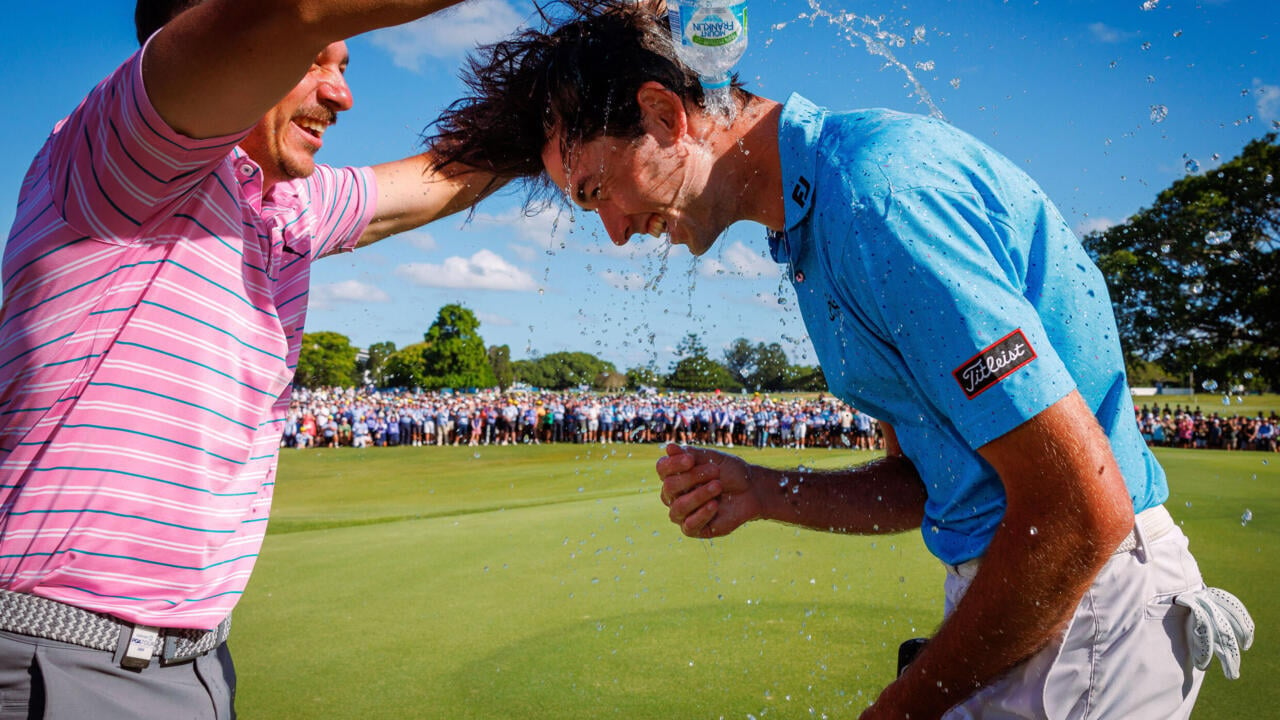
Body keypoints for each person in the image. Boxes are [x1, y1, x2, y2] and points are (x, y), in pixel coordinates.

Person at [426, 1, 1255, 717]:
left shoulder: (877, 199)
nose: (610, 231)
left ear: (664, 115)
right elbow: (932, 486)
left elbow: (1080, 509)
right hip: (1041, 594)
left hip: (1088, 605)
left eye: (597, 191)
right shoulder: (815, 223)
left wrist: (902, 706)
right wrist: (759, 491)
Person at [0, 0, 496, 716]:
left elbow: (444, 178)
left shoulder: (289, 202)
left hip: (196, 661)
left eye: (343, 66)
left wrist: (577, 100)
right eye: (311, 61)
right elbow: (295, 8)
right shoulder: (128, 148)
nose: (341, 94)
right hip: (70, 656)